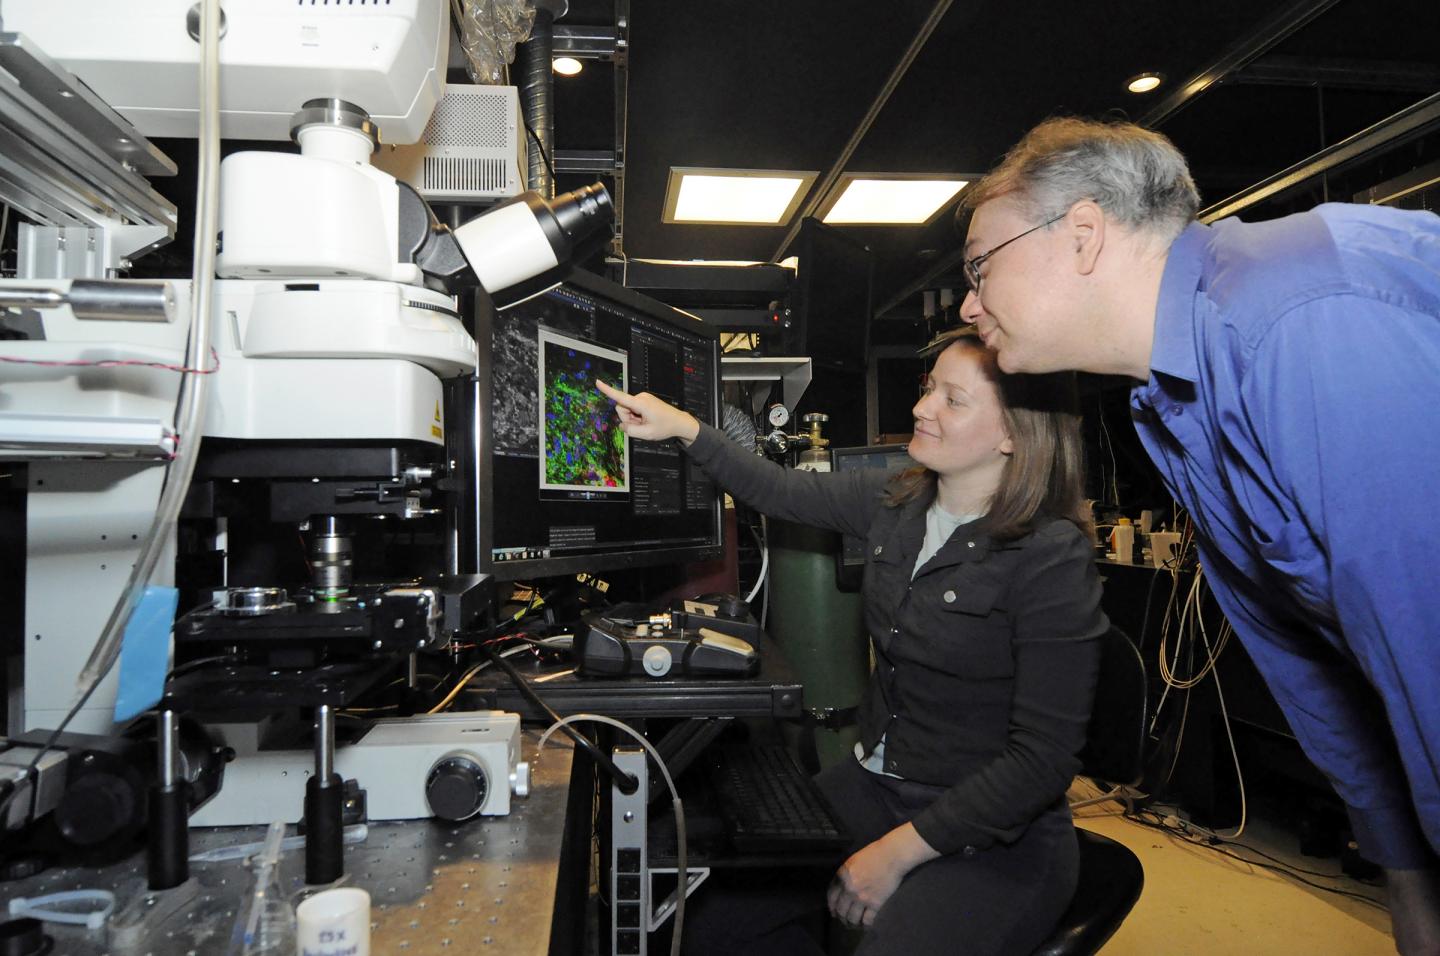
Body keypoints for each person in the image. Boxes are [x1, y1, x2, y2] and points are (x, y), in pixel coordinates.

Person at [955, 115, 1440, 954]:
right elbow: (1312, 660)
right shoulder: (1176, 399)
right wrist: (1403, 864)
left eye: (978, 264)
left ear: (1080, 235)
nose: (968, 302)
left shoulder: (1295, 319)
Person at [596, 327, 1108, 956]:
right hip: (875, 787)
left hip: (989, 834)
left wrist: (892, 856)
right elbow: (777, 489)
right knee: (704, 925)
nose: (921, 408)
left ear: (1012, 435)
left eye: (953, 399)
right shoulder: (896, 499)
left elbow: (1042, 762)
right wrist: (685, 428)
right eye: (928, 390)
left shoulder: (1050, 556)